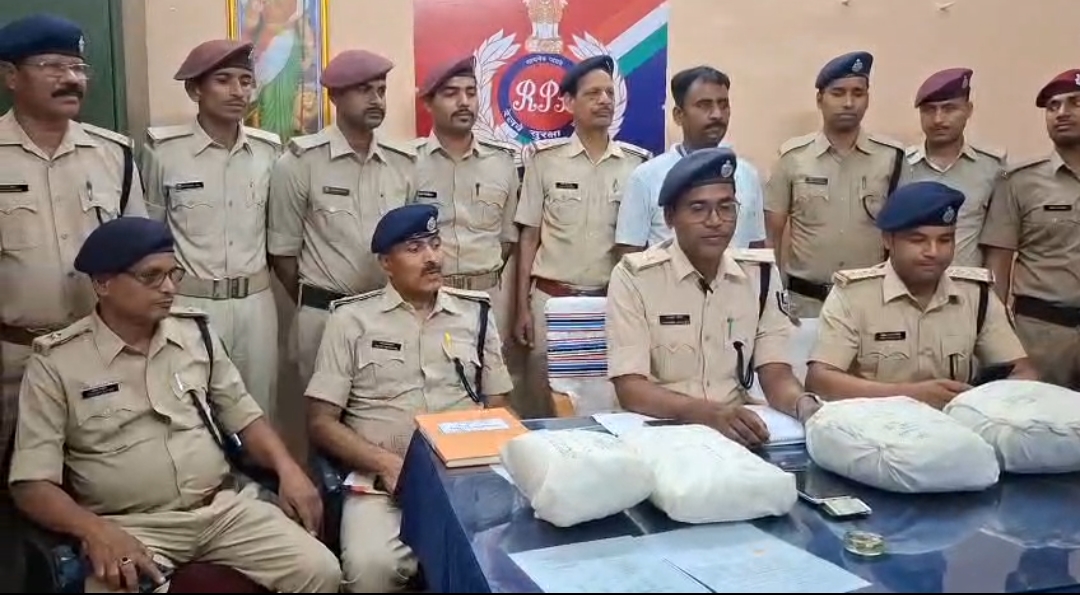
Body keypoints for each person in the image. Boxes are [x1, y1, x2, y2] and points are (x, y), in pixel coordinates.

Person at [8, 217, 340, 593]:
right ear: (103, 284)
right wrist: (94, 530)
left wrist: (288, 469)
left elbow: (245, 417)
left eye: (173, 274)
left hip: (221, 509)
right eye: (151, 277)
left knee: (321, 571)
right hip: (132, 526)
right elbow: (31, 485)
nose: (169, 288)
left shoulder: (196, 334)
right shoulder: (57, 363)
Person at [306, 203, 513, 592]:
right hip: (383, 484)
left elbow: (499, 407)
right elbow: (321, 422)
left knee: (499, 560)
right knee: (371, 568)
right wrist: (385, 463)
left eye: (435, 244)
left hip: (464, 481)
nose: (432, 257)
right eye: (415, 249)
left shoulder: (476, 314)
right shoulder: (351, 320)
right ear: (386, 263)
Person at [0, 13, 147, 479]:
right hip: (13, 357)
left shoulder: (113, 154)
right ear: (10, 76)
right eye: (52, 66)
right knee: (15, 482)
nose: (71, 79)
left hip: (97, 351)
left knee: (103, 477)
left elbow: (140, 256)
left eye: (78, 68)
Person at [607, 147, 820, 448]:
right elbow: (631, 389)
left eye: (726, 207)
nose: (715, 220)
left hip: (736, 433)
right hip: (659, 433)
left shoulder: (760, 276)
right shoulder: (634, 277)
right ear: (670, 217)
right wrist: (708, 414)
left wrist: (805, 406)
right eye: (698, 209)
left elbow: (775, 372)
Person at [142, 39, 282, 416]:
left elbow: (278, 232)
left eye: (245, 81)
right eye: (223, 80)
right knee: (191, 411)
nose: (238, 91)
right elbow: (151, 236)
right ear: (195, 90)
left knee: (258, 409)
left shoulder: (269, 152)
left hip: (255, 305)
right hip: (190, 302)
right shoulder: (164, 151)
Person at [806, 181, 1036, 408]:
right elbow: (820, 381)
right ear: (888, 240)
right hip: (877, 423)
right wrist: (911, 395)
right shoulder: (853, 296)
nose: (933, 252)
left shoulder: (976, 295)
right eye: (918, 240)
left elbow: (1022, 372)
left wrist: (978, 400)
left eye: (945, 240)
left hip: (956, 422)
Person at [513, 55, 651, 418]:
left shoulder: (636, 165)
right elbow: (529, 237)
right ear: (568, 103)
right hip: (551, 301)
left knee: (608, 402)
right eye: (593, 94)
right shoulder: (544, 160)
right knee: (544, 403)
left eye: (609, 93)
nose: (604, 100)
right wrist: (522, 307)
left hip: (610, 304)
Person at [268, 49, 416, 385]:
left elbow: (411, 245)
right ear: (334, 96)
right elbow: (282, 255)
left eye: (381, 90)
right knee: (323, 413)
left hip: (387, 314)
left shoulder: (404, 163)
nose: (376, 100)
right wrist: (317, 301)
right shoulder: (299, 163)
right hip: (323, 316)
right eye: (364, 90)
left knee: (387, 407)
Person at [764, 51, 905, 317]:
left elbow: (904, 236)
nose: (848, 103)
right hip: (805, 305)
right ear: (820, 99)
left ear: (868, 98)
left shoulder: (891, 159)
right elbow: (772, 237)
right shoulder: (793, 158)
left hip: (870, 305)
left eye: (858, 93)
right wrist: (773, 300)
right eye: (838, 93)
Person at [412, 55, 521, 381]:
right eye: (451, 93)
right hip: (430, 299)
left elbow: (507, 240)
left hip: (488, 299)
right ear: (428, 103)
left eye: (471, 93)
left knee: (491, 389)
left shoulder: (502, 163)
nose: (464, 102)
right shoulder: (408, 163)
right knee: (434, 388)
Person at [980, 69, 1080, 390]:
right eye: (1053, 106)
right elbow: (997, 269)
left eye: (1075, 103)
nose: (1062, 113)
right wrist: (998, 341)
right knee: (1039, 417)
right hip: (1042, 334)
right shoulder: (1019, 181)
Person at [615, 66, 766, 258]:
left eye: (723, 105)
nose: (717, 114)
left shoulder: (747, 174)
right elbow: (629, 254)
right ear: (679, 115)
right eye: (704, 105)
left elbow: (755, 248)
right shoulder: (646, 177)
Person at [899, 67, 1006, 267]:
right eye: (929, 110)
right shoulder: (899, 164)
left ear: (968, 110)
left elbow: (997, 245)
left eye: (949, 109)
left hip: (966, 283)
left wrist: (991, 288)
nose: (938, 119)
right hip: (910, 282)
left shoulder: (991, 168)